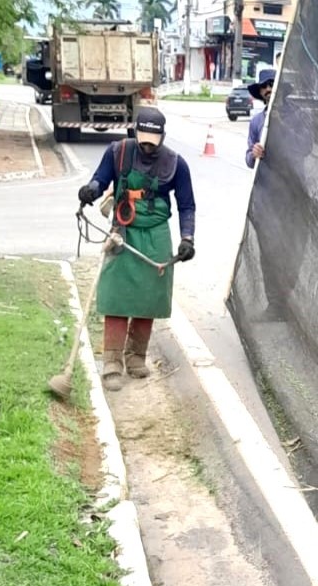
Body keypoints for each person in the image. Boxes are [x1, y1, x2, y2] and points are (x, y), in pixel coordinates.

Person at [77, 107, 196, 390]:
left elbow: (187, 205)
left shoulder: (176, 164)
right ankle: (112, 361)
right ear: (135, 132)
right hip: (123, 231)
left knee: (149, 297)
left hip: (156, 235)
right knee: (116, 296)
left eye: (153, 142)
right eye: (143, 141)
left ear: (162, 137)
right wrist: (91, 190)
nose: (147, 147)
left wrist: (187, 239)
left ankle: (136, 357)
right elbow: (101, 178)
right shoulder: (117, 152)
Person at [245, 69, 276, 169]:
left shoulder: (296, 114)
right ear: (260, 91)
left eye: (272, 84)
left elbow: (306, 148)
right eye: (263, 86)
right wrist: (254, 154)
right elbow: (249, 160)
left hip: (291, 177)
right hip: (266, 177)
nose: (268, 89)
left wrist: (282, 122)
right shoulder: (256, 121)